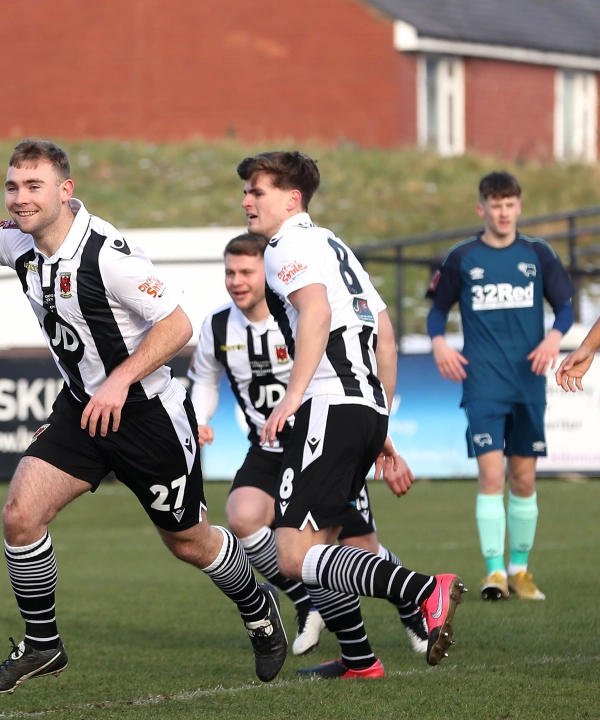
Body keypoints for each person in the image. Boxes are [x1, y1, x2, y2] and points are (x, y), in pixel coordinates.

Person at [0, 139, 288, 694]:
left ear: (66, 191)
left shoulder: (106, 254)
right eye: (12, 186)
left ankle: (258, 606)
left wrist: (120, 381)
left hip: (148, 414)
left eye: (33, 186)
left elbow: (178, 324)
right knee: (20, 514)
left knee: (188, 542)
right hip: (83, 409)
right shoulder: (21, 244)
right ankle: (43, 645)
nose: (19, 198)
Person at [239, 150, 464, 679]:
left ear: (292, 198)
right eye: (246, 191)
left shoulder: (284, 245)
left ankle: (422, 589)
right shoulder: (333, 243)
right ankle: (359, 660)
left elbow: (315, 313)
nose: (247, 200)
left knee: (294, 554)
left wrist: (294, 398)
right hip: (361, 407)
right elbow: (383, 334)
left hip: (326, 406)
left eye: (258, 191)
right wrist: (380, 421)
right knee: (329, 541)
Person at [189, 233, 428, 660]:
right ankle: (305, 601)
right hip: (269, 444)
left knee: (358, 551)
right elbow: (204, 380)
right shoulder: (217, 326)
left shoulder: (298, 314)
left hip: (322, 437)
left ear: (270, 273)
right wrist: (201, 420)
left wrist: (378, 435)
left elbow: (368, 353)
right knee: (243, 516)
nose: (237, 281)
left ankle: (408, 599)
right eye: (230, 272)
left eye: (247, 272)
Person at [427, 172, 574, 602]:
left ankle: (520, 571)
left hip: (527, 384)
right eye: (495, 204)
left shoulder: (537, 254)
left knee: (524, 479)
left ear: (519, 208)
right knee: (492, 476)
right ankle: (494, 573)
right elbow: (437, 311)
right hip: (483, 385)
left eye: (509, 203)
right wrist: (439, 344)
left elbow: (564, 306)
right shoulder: (463, 257)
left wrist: (553, 337)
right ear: (482, 209)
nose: (503, 211)